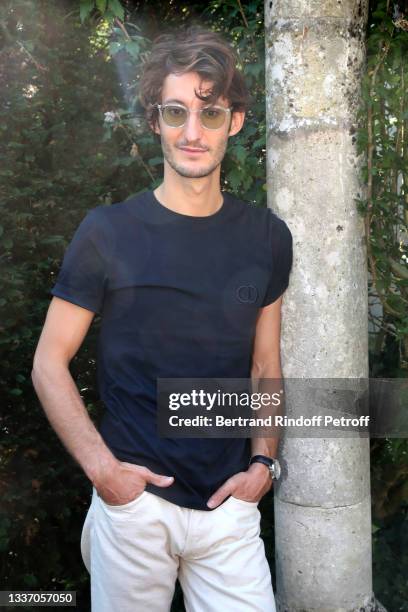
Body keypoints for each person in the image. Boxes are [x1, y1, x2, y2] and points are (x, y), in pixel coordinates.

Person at [31, 25, 293, 612]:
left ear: (237, 120)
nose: (192, 133)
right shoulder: (107, 232)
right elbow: (49, 362)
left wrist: (262, 464)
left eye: (211, 113)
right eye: (175, 113)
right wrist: (105, 473)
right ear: (155, 123)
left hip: (229, 510)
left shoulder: (268, 238)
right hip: (134, 508)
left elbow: (265, 364)